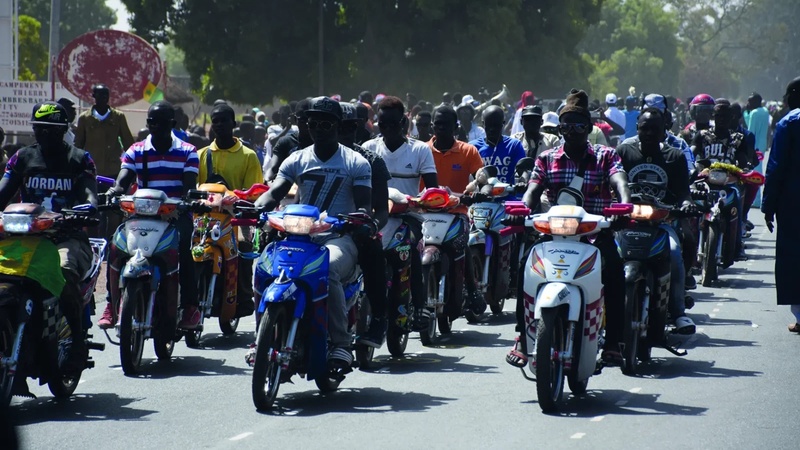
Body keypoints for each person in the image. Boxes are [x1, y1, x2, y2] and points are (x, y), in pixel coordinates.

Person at [511, 89, 631, 367]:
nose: (573, 131)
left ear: (589, 128)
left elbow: (620, 182)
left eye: (579, 125)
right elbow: (532, 190)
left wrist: (625, 206)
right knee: (524, 267)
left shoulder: (605, 156)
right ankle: (521, 336)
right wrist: (522, 210)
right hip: (553, 234)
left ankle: (613, 342)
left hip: (595, 233)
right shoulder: (546, 158)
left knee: (615, 271)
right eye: (567, 125)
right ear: (560, 128)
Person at [254, 97, 372, 369]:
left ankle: (341, 345)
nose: (319, 128)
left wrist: (359, 219)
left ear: (338, 125)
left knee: (326, 269)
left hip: (338, 237)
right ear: (306, 125)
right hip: (298, 237)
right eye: (313, 123)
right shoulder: (295, 159)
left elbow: (365, 204)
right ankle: (261, 339)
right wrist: (254, 208)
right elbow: (274, 192)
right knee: (261, 267)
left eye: (326, 123)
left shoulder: (356, 162)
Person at [0, 102, 98, 373]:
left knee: (63, 271)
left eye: (53, 130)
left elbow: (90, 192)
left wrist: (89, 206)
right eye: (40, 130)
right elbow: (4, 191)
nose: (46, 135)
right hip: (24, 235)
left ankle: (77, 342)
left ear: (64, 130)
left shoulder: (80, 158)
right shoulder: (21, 157)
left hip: (66, 236)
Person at [97, 101, 201, 330]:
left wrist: (187, 201)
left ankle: (191, 307)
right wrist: (115, 191)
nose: (155, 126)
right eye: (151, 122)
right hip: (141, 214)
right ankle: (110, 304)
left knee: (183, 246)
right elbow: (124, 179)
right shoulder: (136, 150)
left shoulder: (188, 151)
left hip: (175, 215)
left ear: (172, 124)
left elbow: (189, 187)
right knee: (116, 246)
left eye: (161, 122)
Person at [615, 108, 696, 334]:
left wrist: (686, 204)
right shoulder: (623, 151)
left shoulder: (675, 156)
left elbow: (683, 192)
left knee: (674, 252)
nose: (649, 133)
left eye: (655, 129)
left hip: (661, 223)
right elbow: (610, 184)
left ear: (664, 132)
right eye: (644, 128)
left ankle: (678, 312)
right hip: (626, 222)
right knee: (606, 255)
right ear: (637, 129)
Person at [362, 96, 439, 331]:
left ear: (404, 124)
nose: (387, 130)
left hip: (408, 217)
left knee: (412, 249)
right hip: (377, 215)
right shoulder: (368, 149)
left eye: (393, 125)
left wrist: (425, 200)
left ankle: (419, 306)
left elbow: (432, 187)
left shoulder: (419, 151)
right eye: (382, 125)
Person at [197, 103, 264, 317]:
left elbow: (254, 192)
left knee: (245, 250)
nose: (218, 125)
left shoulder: (248, 155)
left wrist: (238, 197)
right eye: (214, 121)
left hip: (240, 219)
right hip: (208, 217)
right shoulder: (201, 154)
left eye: (223, 120)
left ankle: (243, 299)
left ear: (233, 124)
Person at [338, 102, 392, 347]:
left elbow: (381, 210)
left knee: (374, 250)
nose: (342, 134)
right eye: (336, 127)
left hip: (355, 232)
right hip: (316, 231)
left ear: (358, 129)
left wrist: (371, 226)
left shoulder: (371, 161)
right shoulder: (308, 157)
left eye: (349, 128)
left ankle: (379, 318)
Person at [427, 105, 487, 316]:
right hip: (424, 213)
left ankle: (470, 290)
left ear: (455, 127)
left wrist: (475, 188)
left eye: (446, 124)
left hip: (456, 213)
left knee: (460, 245)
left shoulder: (468, 151)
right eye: (437, 124)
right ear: (432, 126)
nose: (441, 128)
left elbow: (480, 177)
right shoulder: (421, 151)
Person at [74, 84, 135, 242]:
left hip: (114, 173)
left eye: (106, 96)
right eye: (99, 96)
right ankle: (93, 245)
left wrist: (134, 166)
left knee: (114, 213)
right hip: (92, 174)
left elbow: (129, 143)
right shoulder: (85, 119)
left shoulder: (118, 117)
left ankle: (112, 245)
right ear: (93, 96)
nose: (103, 99)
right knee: (94, 211)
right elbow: (78, 146)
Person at [763, 77, 800, 332]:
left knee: (794, 259)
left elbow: (775, 167)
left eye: (788, 94)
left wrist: (768, 206)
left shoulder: (789, 123)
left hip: (793, 204)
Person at [692, 98, 749, 260]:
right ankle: (689, 246)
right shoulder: (702, 136)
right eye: (718, 116)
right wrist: (693, 166)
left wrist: (743, 166)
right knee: (691, 207)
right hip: (704, 182)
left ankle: (737, 246)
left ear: (732, 117)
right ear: (713, 116)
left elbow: (743, 158)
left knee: (736, 203)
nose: (721, 119)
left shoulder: (737, 139)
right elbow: (692, 153)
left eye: (725, 116)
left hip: (728, 182)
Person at [470, 105, 525, 185]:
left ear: (503, 123)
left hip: (508, 195)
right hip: (481, 196)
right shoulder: (473, 147)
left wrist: (523, 181)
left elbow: (523, 171)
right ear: (483, 124)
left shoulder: (514, 145)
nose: (492, 129)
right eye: (489, 125)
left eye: (496, 125)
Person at [263, 99, 313, 182]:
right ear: (295, 119)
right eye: (303, 120)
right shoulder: (285, 141)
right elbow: (272, 169)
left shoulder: (322, 144)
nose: (307, 124)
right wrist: (268, 179)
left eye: (310, 120)